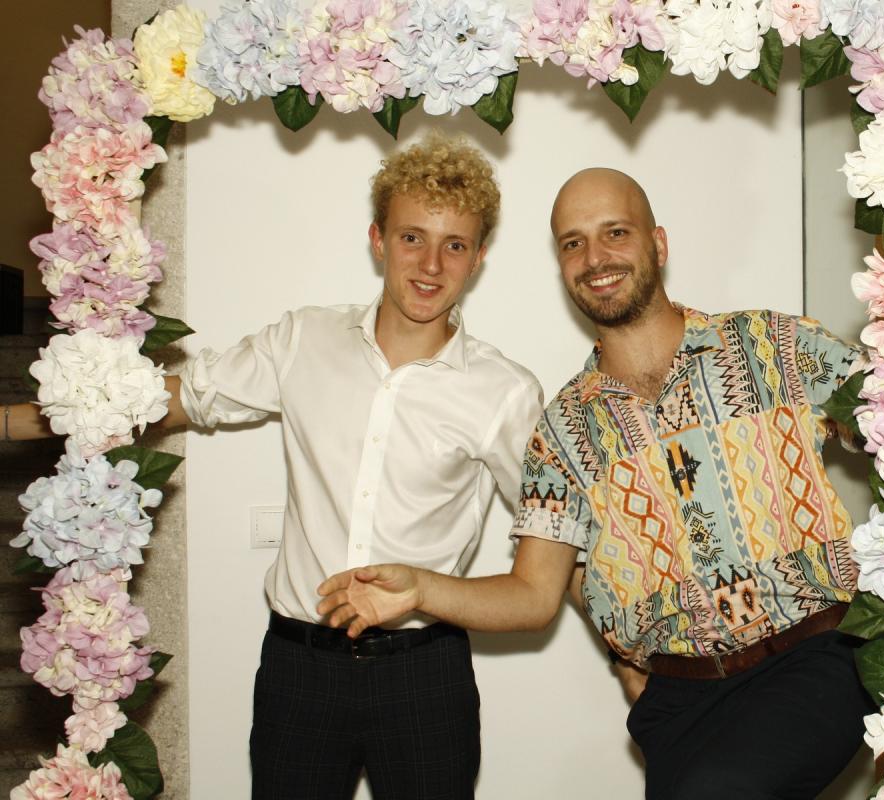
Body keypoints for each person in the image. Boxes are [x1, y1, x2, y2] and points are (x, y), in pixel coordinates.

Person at [6, 133, 543, 800]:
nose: (431, 264)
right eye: (412, 237)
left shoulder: (504, 392)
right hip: (300, 668)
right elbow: (175, 399)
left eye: (454, 245)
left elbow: (553, 546)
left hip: (425, 675)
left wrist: (625, 641)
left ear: (479, 256)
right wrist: (13, 420)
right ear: (378, 239)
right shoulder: (304, 338)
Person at [318, 167, 875, 799]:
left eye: (616, 232)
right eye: (573, 242)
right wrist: (420, 588)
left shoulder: (774, 346)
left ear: (657, 244)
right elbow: (534, 595)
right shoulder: (563, 429)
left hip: (811, 659)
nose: (595, 257)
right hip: (675, 702)